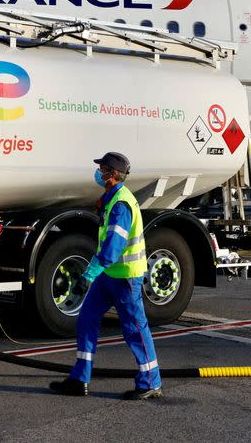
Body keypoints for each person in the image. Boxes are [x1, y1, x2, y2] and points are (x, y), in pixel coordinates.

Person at [49, 152, 162, 400]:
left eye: (101, 169)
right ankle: (80, 379)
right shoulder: (111, 200)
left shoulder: (121, 204)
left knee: (135, 329)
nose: (98, 173)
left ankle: (151, 382)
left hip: (125, 278)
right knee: (86, 320)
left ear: (112, 174)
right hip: (109, 275)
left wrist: (87, 276)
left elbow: (111, 249)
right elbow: (105, 249)